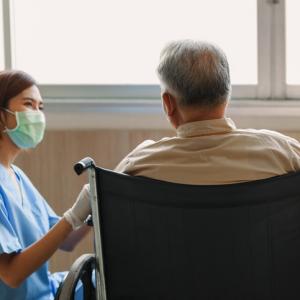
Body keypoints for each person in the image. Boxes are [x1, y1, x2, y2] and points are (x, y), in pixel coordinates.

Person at [115, 40, 300, 183]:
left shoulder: (139, 162)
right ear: (226, 96)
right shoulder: (284, 153)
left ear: (168, 103)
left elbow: (87, 214)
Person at [0, 70, 91, 300]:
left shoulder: (17, 176)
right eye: (29, 104)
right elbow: (11, 274)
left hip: (45, 293)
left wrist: (96, 204)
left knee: (103, 277)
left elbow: (66, 240)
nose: (37, 115)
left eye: (41, 107)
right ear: (2, 115)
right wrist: (72, 217)